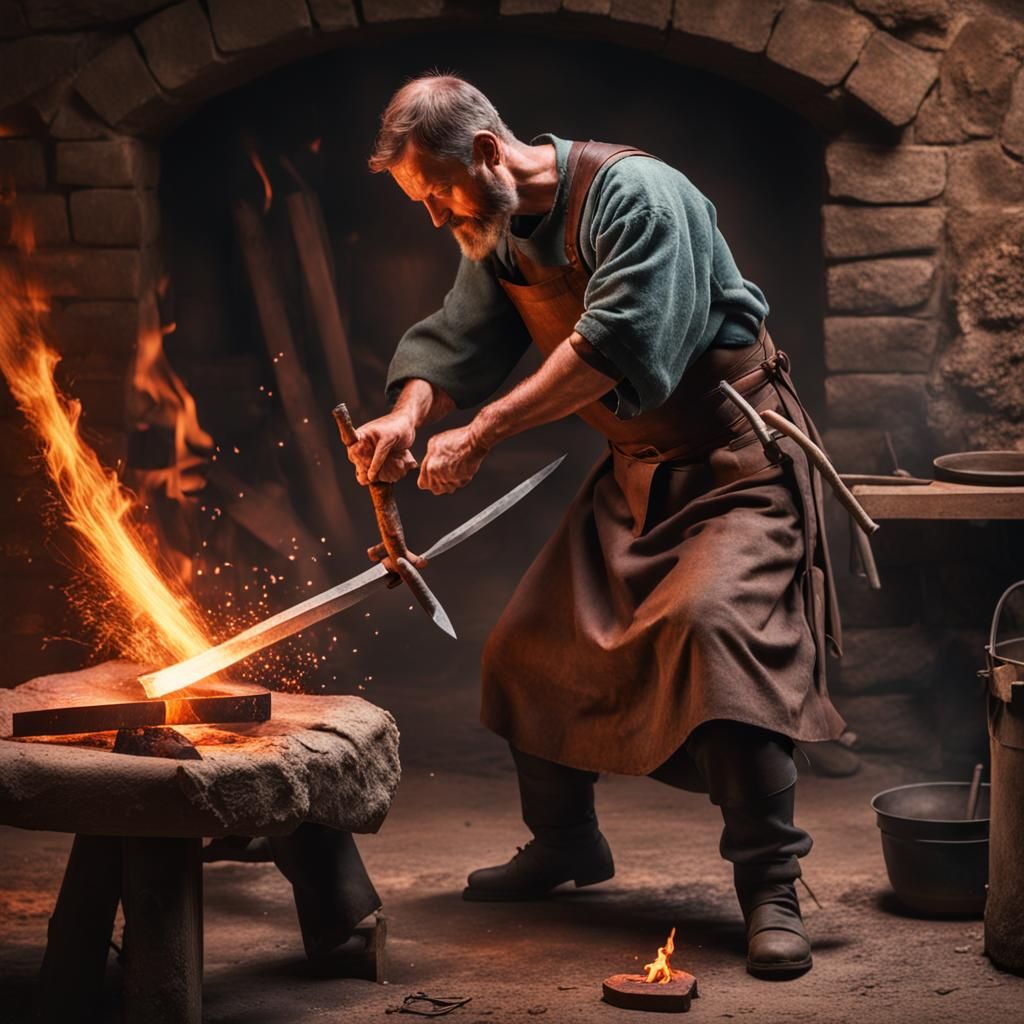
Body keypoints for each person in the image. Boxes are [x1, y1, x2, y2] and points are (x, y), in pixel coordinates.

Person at [347, 72, 846, 980]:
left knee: (715, 639)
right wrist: (410, 414)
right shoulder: (494, 225)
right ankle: (568, 844)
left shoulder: (636, 197)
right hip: (636, 477)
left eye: (436, 193)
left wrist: (486, 429)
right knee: (527, 644)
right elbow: (459, 333)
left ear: (489, 153)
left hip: (735, 468)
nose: (432, 217)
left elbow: (616, 345)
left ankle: (772, 887)